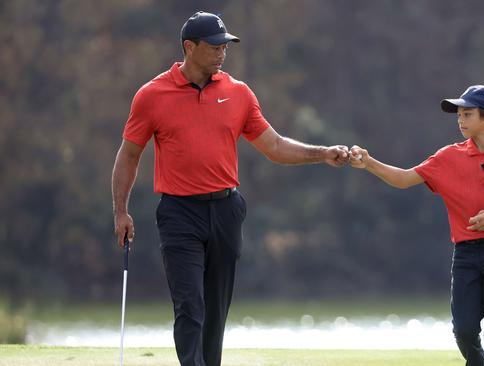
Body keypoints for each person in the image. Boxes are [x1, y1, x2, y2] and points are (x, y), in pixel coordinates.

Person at [111, 11, 349, 366]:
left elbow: (276, 145)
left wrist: (322, 153)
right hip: (179, 213)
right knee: (190, 305)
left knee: (216, 308)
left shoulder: (238, 93)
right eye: (215, 46)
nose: (223, 52)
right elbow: (129, 155)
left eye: (226, 45)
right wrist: (120, 211)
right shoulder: (152, 95)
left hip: (226, 210)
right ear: (189, 48)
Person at [349, 85, 484, 366]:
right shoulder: (448, 156)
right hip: (465, 254)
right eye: (459, 115)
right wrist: (369, 163)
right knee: (464, 331)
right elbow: (404, 178)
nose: (460, 120)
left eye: (467, 114)